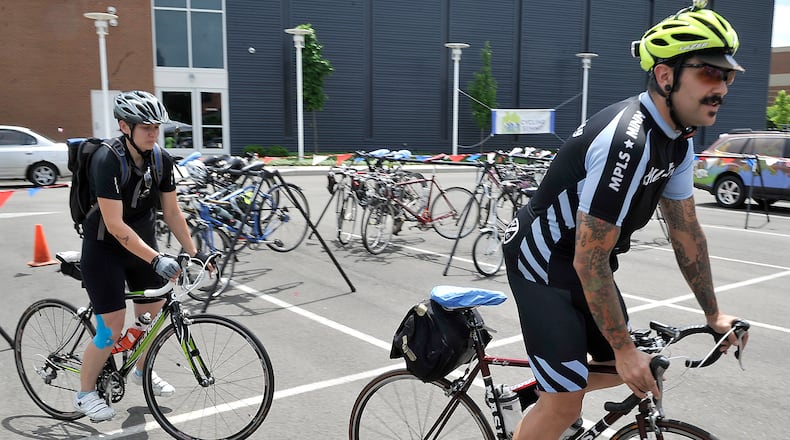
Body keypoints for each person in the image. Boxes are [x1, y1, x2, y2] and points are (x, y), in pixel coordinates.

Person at [501, 5, 750, 439]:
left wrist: (714, 314)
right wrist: (622, 347)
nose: (722, 88)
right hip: (543, 263)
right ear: (665, 75)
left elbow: (686, 233)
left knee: (635, 366)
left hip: (586, 262)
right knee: (567, 402)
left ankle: (535, 395)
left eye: (728, 76)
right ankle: (550, 402)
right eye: (710, 73)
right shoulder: (628, 142)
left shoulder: (677, 140)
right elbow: (588, 257)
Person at [73, 90, 208, 421]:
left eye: (156, 127)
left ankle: (141, 371)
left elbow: (172, 212)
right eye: (145, 126)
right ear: (124, 126)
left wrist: (196, 252)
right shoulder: (108, 159)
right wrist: (157, 259)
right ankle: (85, 392)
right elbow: (116, 225)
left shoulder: (160, 158)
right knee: (111, 329)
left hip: (142, 246)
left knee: (150, 317)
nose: (153, 133)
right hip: (105, 248)